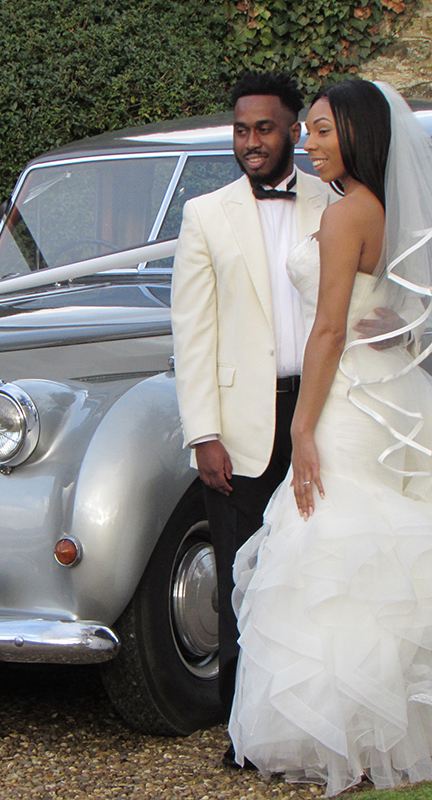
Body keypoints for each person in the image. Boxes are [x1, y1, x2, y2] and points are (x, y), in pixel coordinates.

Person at [228, 79, 432, 796]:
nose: (307, 143)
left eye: (319, 130)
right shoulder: (380, 210)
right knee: (369, 558)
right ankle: (377, 739)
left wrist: (302, 424)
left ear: (354, 131)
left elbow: (328, 328)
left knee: (336, 552)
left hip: (347, 399)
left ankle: (350, 740)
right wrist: (400, 330)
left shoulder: (348, 215)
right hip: (386, 391)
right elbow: (398, 305)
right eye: (308, 131)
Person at [170, 71, 334, 765]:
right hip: (238, 428)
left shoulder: (334, 203)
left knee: (319, 576)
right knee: (242, 582)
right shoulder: (206, 214)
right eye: (241, 129)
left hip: (322, 416)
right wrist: (202, 432)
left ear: (294, 129)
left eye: (265, 128)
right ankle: (244, 738)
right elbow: (192, 333)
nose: (251, 141)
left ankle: (316, 730)